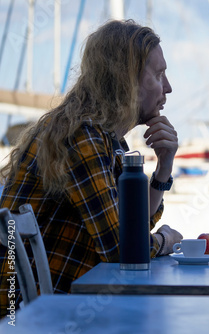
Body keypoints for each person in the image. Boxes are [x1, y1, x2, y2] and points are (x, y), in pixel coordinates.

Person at [0, 19, 183, 317]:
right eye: (159, 74)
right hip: (28, 314)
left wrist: (164, 166)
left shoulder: (108, 140)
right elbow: (121, 251)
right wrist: (166, 241)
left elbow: (133, 227)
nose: (168, 87)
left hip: (61, 304)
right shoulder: (80, 136)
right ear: (127, 79)